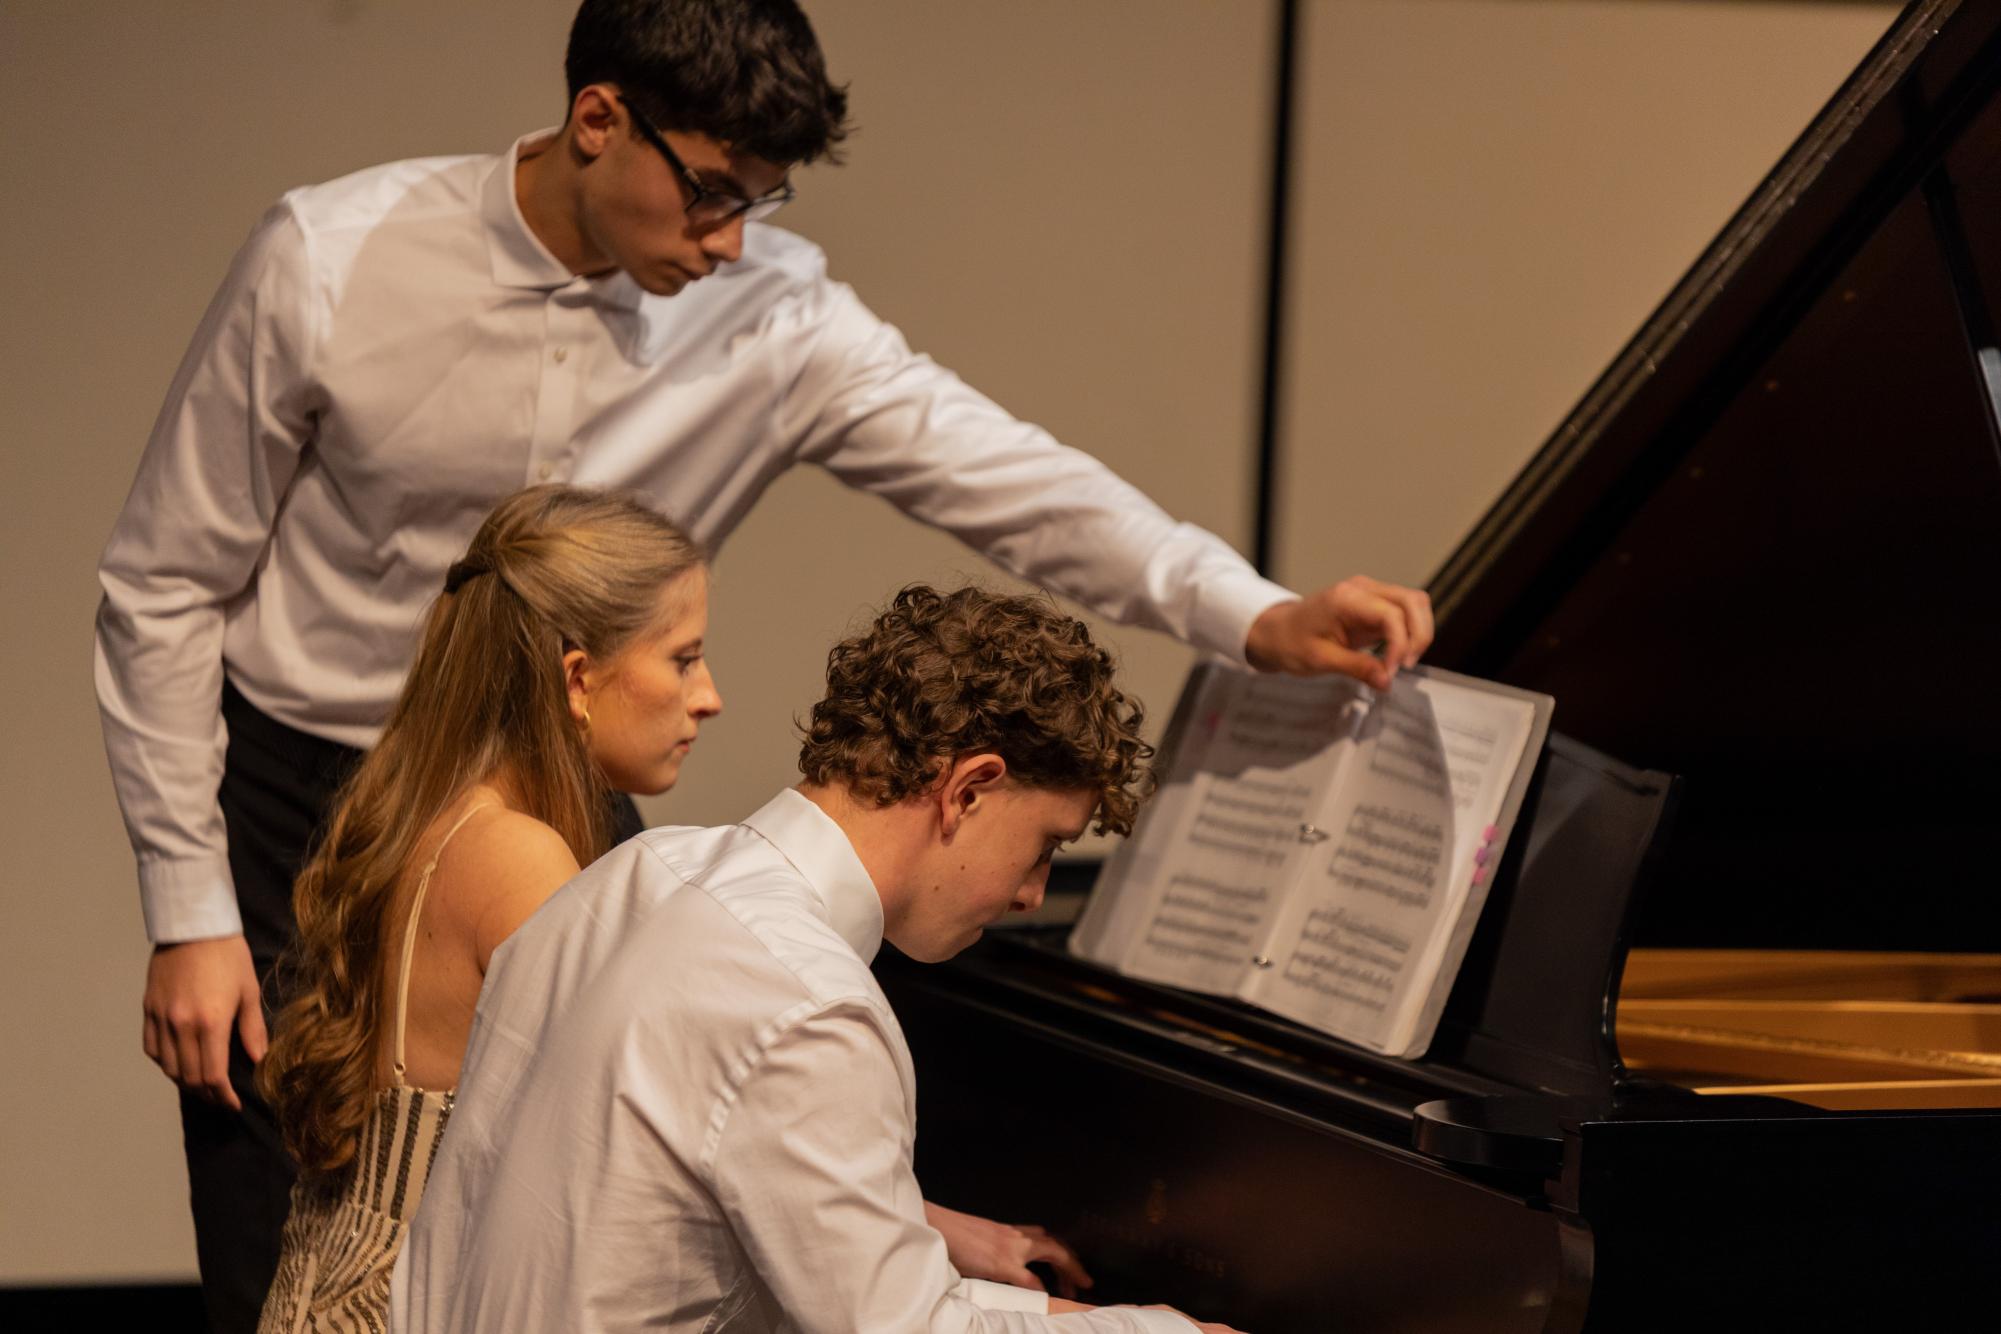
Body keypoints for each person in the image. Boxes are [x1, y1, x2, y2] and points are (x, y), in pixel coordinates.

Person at [94, 0, 1433, 1323]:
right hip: (302, 788)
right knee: (293, 1219)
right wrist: (187, 905)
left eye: (764, 201)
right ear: (597, 119)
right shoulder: (328, 257)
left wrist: (1248, 612)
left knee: (589, 1200)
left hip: (557, 778)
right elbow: (164, 582)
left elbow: (1010, 478)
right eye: (711, 193)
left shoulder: (771, 316)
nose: (733, 242)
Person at [392, 585, 1240, 1332]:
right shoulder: (809, 1004)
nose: (1031, 894)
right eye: (1043, 846)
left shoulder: (635, 876)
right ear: (968, 790)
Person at [250, 486, 718, 1329]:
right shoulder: (515, 855)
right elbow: (650, 1132)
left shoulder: (440, 812)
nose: (708, 695)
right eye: (684, 659)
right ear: (578, 679)